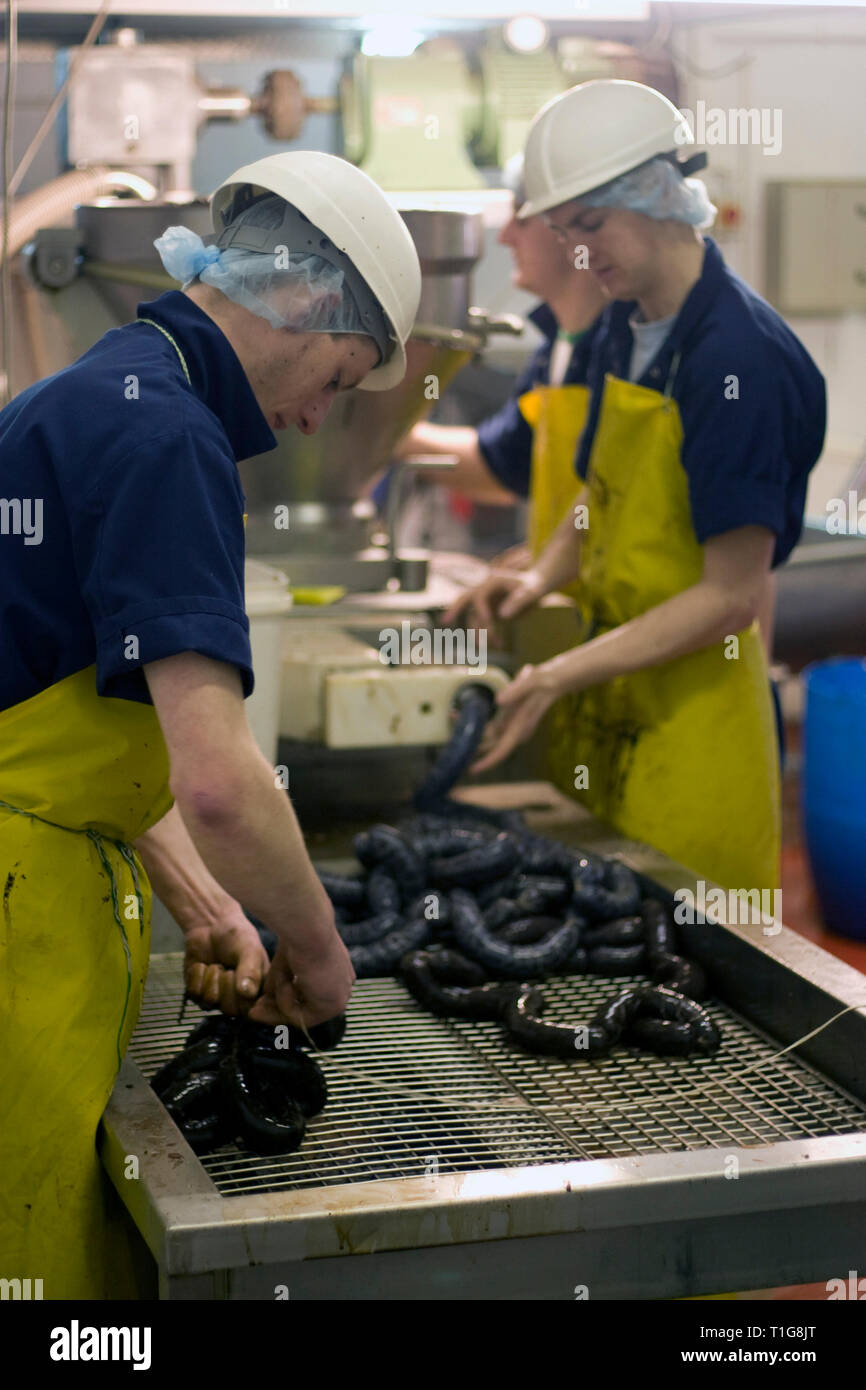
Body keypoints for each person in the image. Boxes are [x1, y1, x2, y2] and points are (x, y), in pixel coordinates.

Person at [0, 151, 421, 1299]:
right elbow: (222, 781)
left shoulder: (106, 386)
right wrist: (320, 954)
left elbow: (61, 726)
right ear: (304, 298)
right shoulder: (168, 437)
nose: (312, 416)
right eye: (339, 375)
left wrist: (210, 900)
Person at [447, 80, 826, 895]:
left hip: (695, 727)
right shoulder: (625, 320)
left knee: (689, 976)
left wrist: (555, 674)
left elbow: (730, 597)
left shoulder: (737, 361)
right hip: (612, 702)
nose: (580, 254)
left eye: (592, 226)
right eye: (562, 232)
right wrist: (545, 571)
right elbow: (603, 489)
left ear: (659, 196)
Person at [390, 154, 606, 576]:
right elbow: (504, 467)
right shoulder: (554, 352)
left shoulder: (625, 352)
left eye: (519, 220)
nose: (505, 237)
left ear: (568, 228)